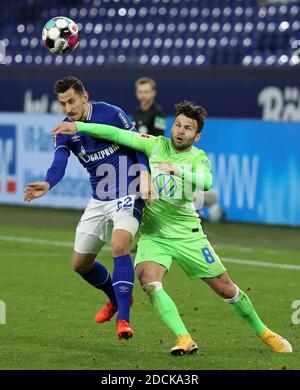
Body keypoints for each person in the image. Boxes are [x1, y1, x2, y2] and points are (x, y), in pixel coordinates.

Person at [52, 101, 292, 355]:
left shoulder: (198, 157)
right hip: (154, 235)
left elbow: (207, 182)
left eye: (188, 128)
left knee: (226, 288)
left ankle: (264, 332)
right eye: (178, 125)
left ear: (196, 135)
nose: (180, 131)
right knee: (148, 281)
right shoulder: (155, 144)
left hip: (187, 235)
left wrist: (177, 170)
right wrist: (78, 125)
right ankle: (184, 337)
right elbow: (116, 134)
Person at [24, 76, 150, 340]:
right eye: (62, 103)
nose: (68, 108)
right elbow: (59, 161)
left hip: (128, 193)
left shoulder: (111, 113)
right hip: (99, 199)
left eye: (72, 100)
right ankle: (115, 299)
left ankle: (124, 321)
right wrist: (48, 183)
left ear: (84, 96)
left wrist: (145, 177)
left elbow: (139, 144)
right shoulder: (65, 129)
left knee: (119, 245)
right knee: (80, 264)